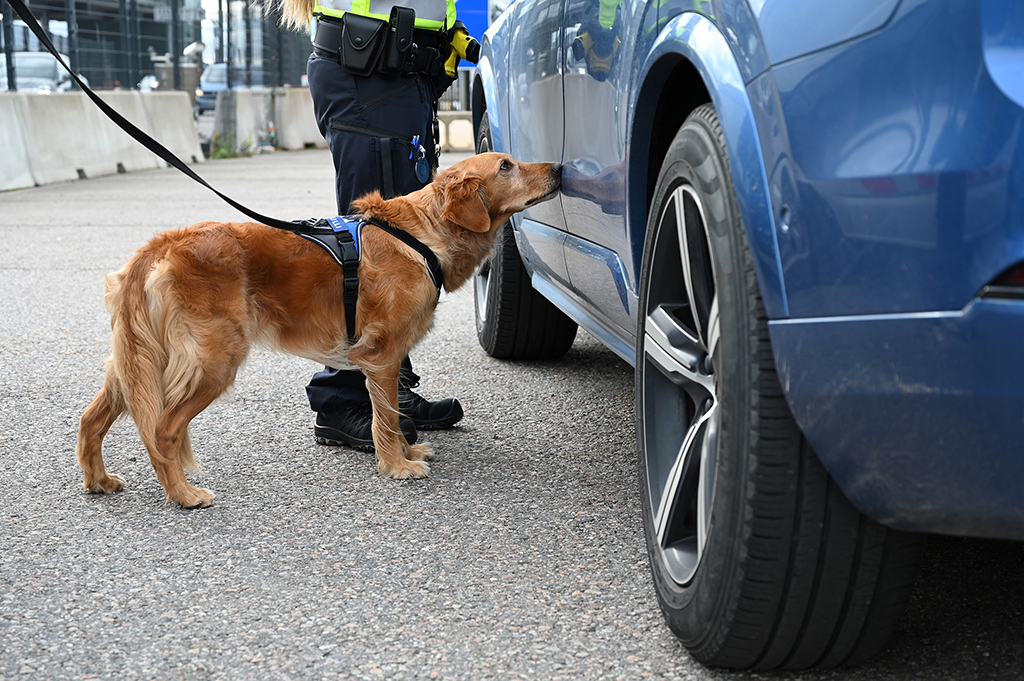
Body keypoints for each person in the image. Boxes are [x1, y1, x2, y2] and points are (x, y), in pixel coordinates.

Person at [278, 0, 465, 451]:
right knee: (377, 258)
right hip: (370, 67)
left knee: (402, 254)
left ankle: (387, 388)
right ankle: (341, 400)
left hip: (402, 71)